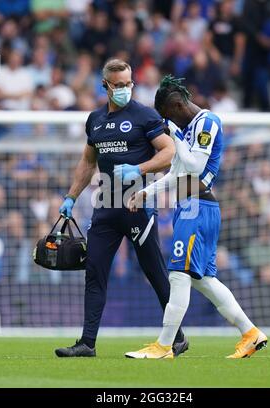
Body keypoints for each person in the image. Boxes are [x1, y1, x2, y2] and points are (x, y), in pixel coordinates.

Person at [125, 76, 267, 359]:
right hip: (190, 206)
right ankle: (250, 333)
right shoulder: (188, 130)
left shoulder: (207, 122)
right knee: (204, 280)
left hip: (198, 207)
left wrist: (175, 133)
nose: (167, 121)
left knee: (178, 274)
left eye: (168, 114)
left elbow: (196, 166)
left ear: (178, 104)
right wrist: (146, 193)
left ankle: (164, 346)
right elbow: (177, 174)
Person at [55, 59, 188, 358]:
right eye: (118, 85)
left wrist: (138, 169)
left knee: (154, 272)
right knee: (95, 271)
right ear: (105, 86)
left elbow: (170, 152)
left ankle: (177, 336)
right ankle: (87, 343)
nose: (125, 89)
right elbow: (88, 162)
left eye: (128, 84)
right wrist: (70, 198)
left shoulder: (144, 116)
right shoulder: (95, 120)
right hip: (106, 206)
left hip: (137, 205)